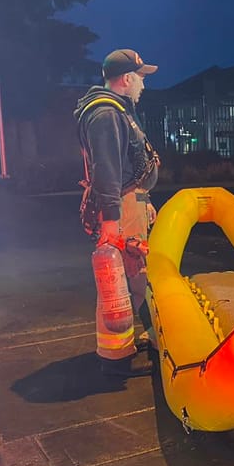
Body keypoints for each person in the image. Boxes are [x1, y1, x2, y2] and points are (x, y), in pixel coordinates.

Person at [75, 49, 160, 378]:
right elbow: (107, 169)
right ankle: (117, 357)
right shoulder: (107, 115)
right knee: (132, 273)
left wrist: (143, 197)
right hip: (121, 207)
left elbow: (123, 166)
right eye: (141, 78)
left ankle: (117, 350)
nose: (144, 85)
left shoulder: (110, 111)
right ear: (127, 79)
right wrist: (112, 218)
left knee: (126, 275)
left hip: (127, 201)